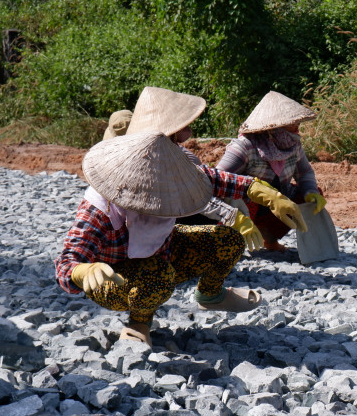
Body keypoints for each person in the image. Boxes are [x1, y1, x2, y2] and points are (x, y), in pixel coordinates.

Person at [54, 131, 307, 347]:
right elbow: (67, 261)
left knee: (226, 240)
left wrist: (259, 190)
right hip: (115, 279)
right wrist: (82, 272)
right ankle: (139, 323)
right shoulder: (99, 211)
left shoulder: (165, 174)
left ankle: (210, 294)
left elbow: (211, 178)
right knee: (158, 275)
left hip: (163, 251)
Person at [124, 86, 264, 249]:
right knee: (225, 237)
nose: (189, 123)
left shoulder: (176, 152)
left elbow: (206, 179)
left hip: (158, 228)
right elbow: (193, 194)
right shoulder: (152, 160)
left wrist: (247, 188)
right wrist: (231, 216)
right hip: (147, 235)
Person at [215, 91, 326, 252]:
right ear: (274, 128)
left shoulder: (293, 146)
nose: (297, 128)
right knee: (243, 200)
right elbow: (217, 180)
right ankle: (230, 244)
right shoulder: (244, 147)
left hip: (278, 198)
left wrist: (311, 192)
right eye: (291, 124)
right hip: (248, 203)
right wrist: (235, 215)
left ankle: (270, 239)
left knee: (310, 196)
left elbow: (304, 173)